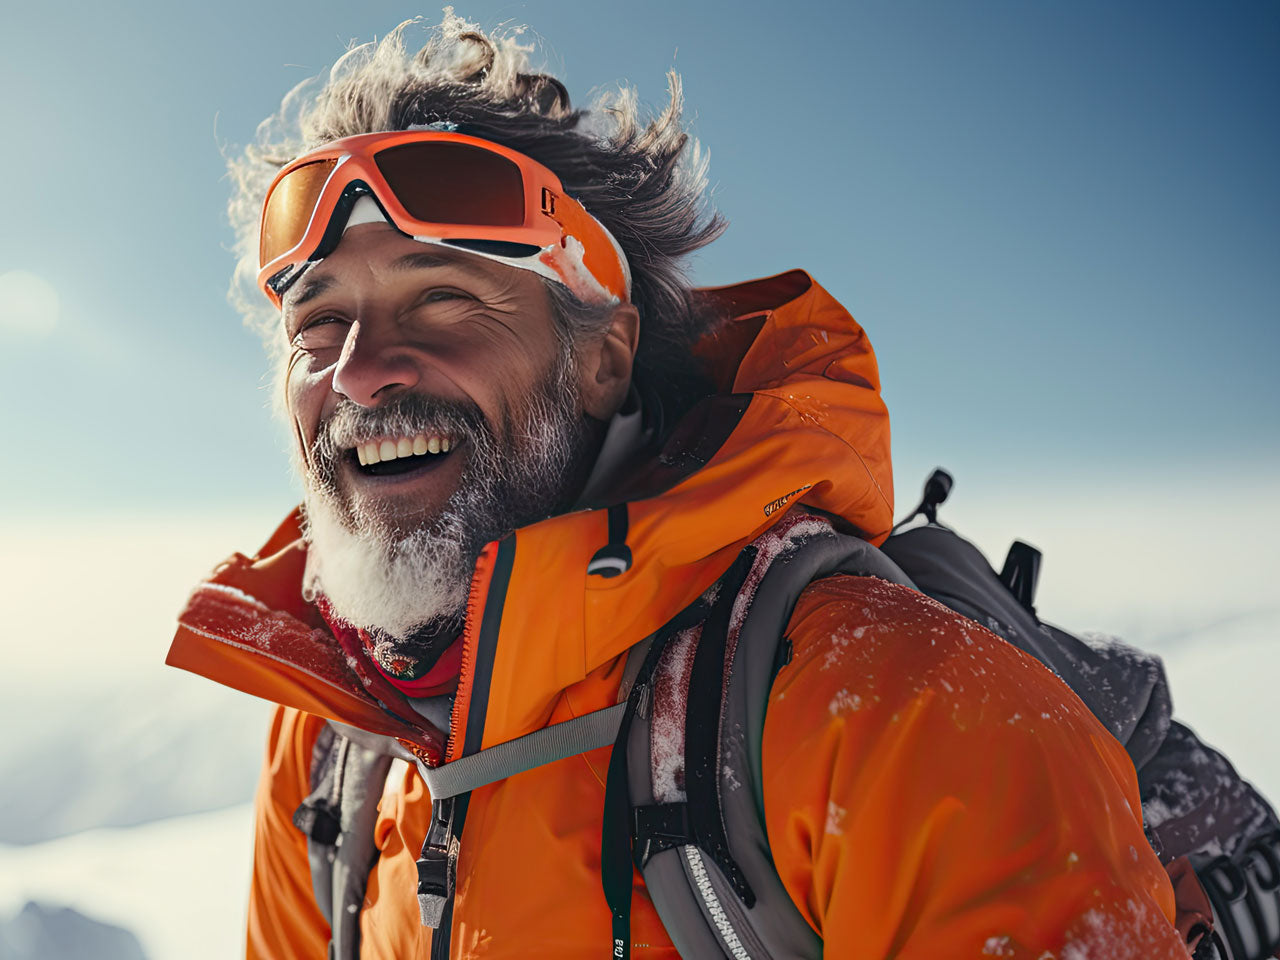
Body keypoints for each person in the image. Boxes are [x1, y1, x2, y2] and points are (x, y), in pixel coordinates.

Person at [168, 14, 1206, 958]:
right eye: (316, 327)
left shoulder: (889, 712)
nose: (358, 371)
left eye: (441, 302)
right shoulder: (329, 744)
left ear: (602, 359)